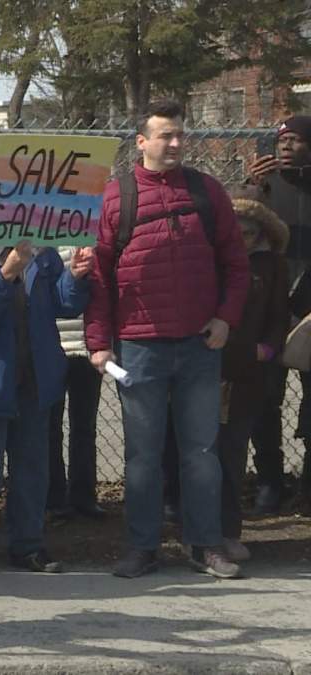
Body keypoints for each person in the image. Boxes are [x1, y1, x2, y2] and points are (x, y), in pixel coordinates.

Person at [85, 99, 249, 580]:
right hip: (139, 348)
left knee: (201, 454)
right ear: (141, 142)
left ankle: (205, 545)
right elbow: (99, 277)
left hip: (200, 346)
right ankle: (142, 547)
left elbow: (237, 265)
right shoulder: (116, 197)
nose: (175, 143)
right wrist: (99, 342)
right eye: (164, 135)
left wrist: (225, 320)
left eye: (180, 134)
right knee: (142, 457)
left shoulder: (207, 192)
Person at [0, 234, 91, 577]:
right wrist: (6, 273)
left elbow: (64, 303)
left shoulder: (43, 255)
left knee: (32, 469)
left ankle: (28, 545)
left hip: (33, 382)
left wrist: (76, 277)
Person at [215, 186, 289, 562]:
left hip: (248, 371)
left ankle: (228, 532)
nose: (241, 239)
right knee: (197, 453)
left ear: (261, 232)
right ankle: (196, 530)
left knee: (232, 453)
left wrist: (268, 349)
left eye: (249, 233)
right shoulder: (211, 258)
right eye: (235, 231)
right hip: (208, 367)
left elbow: (279, 316)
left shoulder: (272, 264)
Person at [247, 115, 311, 513]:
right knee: (264, 398)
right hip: (269, 311)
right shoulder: (263, 187)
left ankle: (308, 485)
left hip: (309, 314)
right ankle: (270, 480)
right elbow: (240, 235)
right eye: (281, 140)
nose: (287, 146)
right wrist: (252, 187)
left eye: (298, 140)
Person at [47, 247, 106, 522]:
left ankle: (83, 496)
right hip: (53, 348)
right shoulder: (44, 243)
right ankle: (54, 498)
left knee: (84, 427)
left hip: (86, 349)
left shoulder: (91, 243)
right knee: (50, 428)